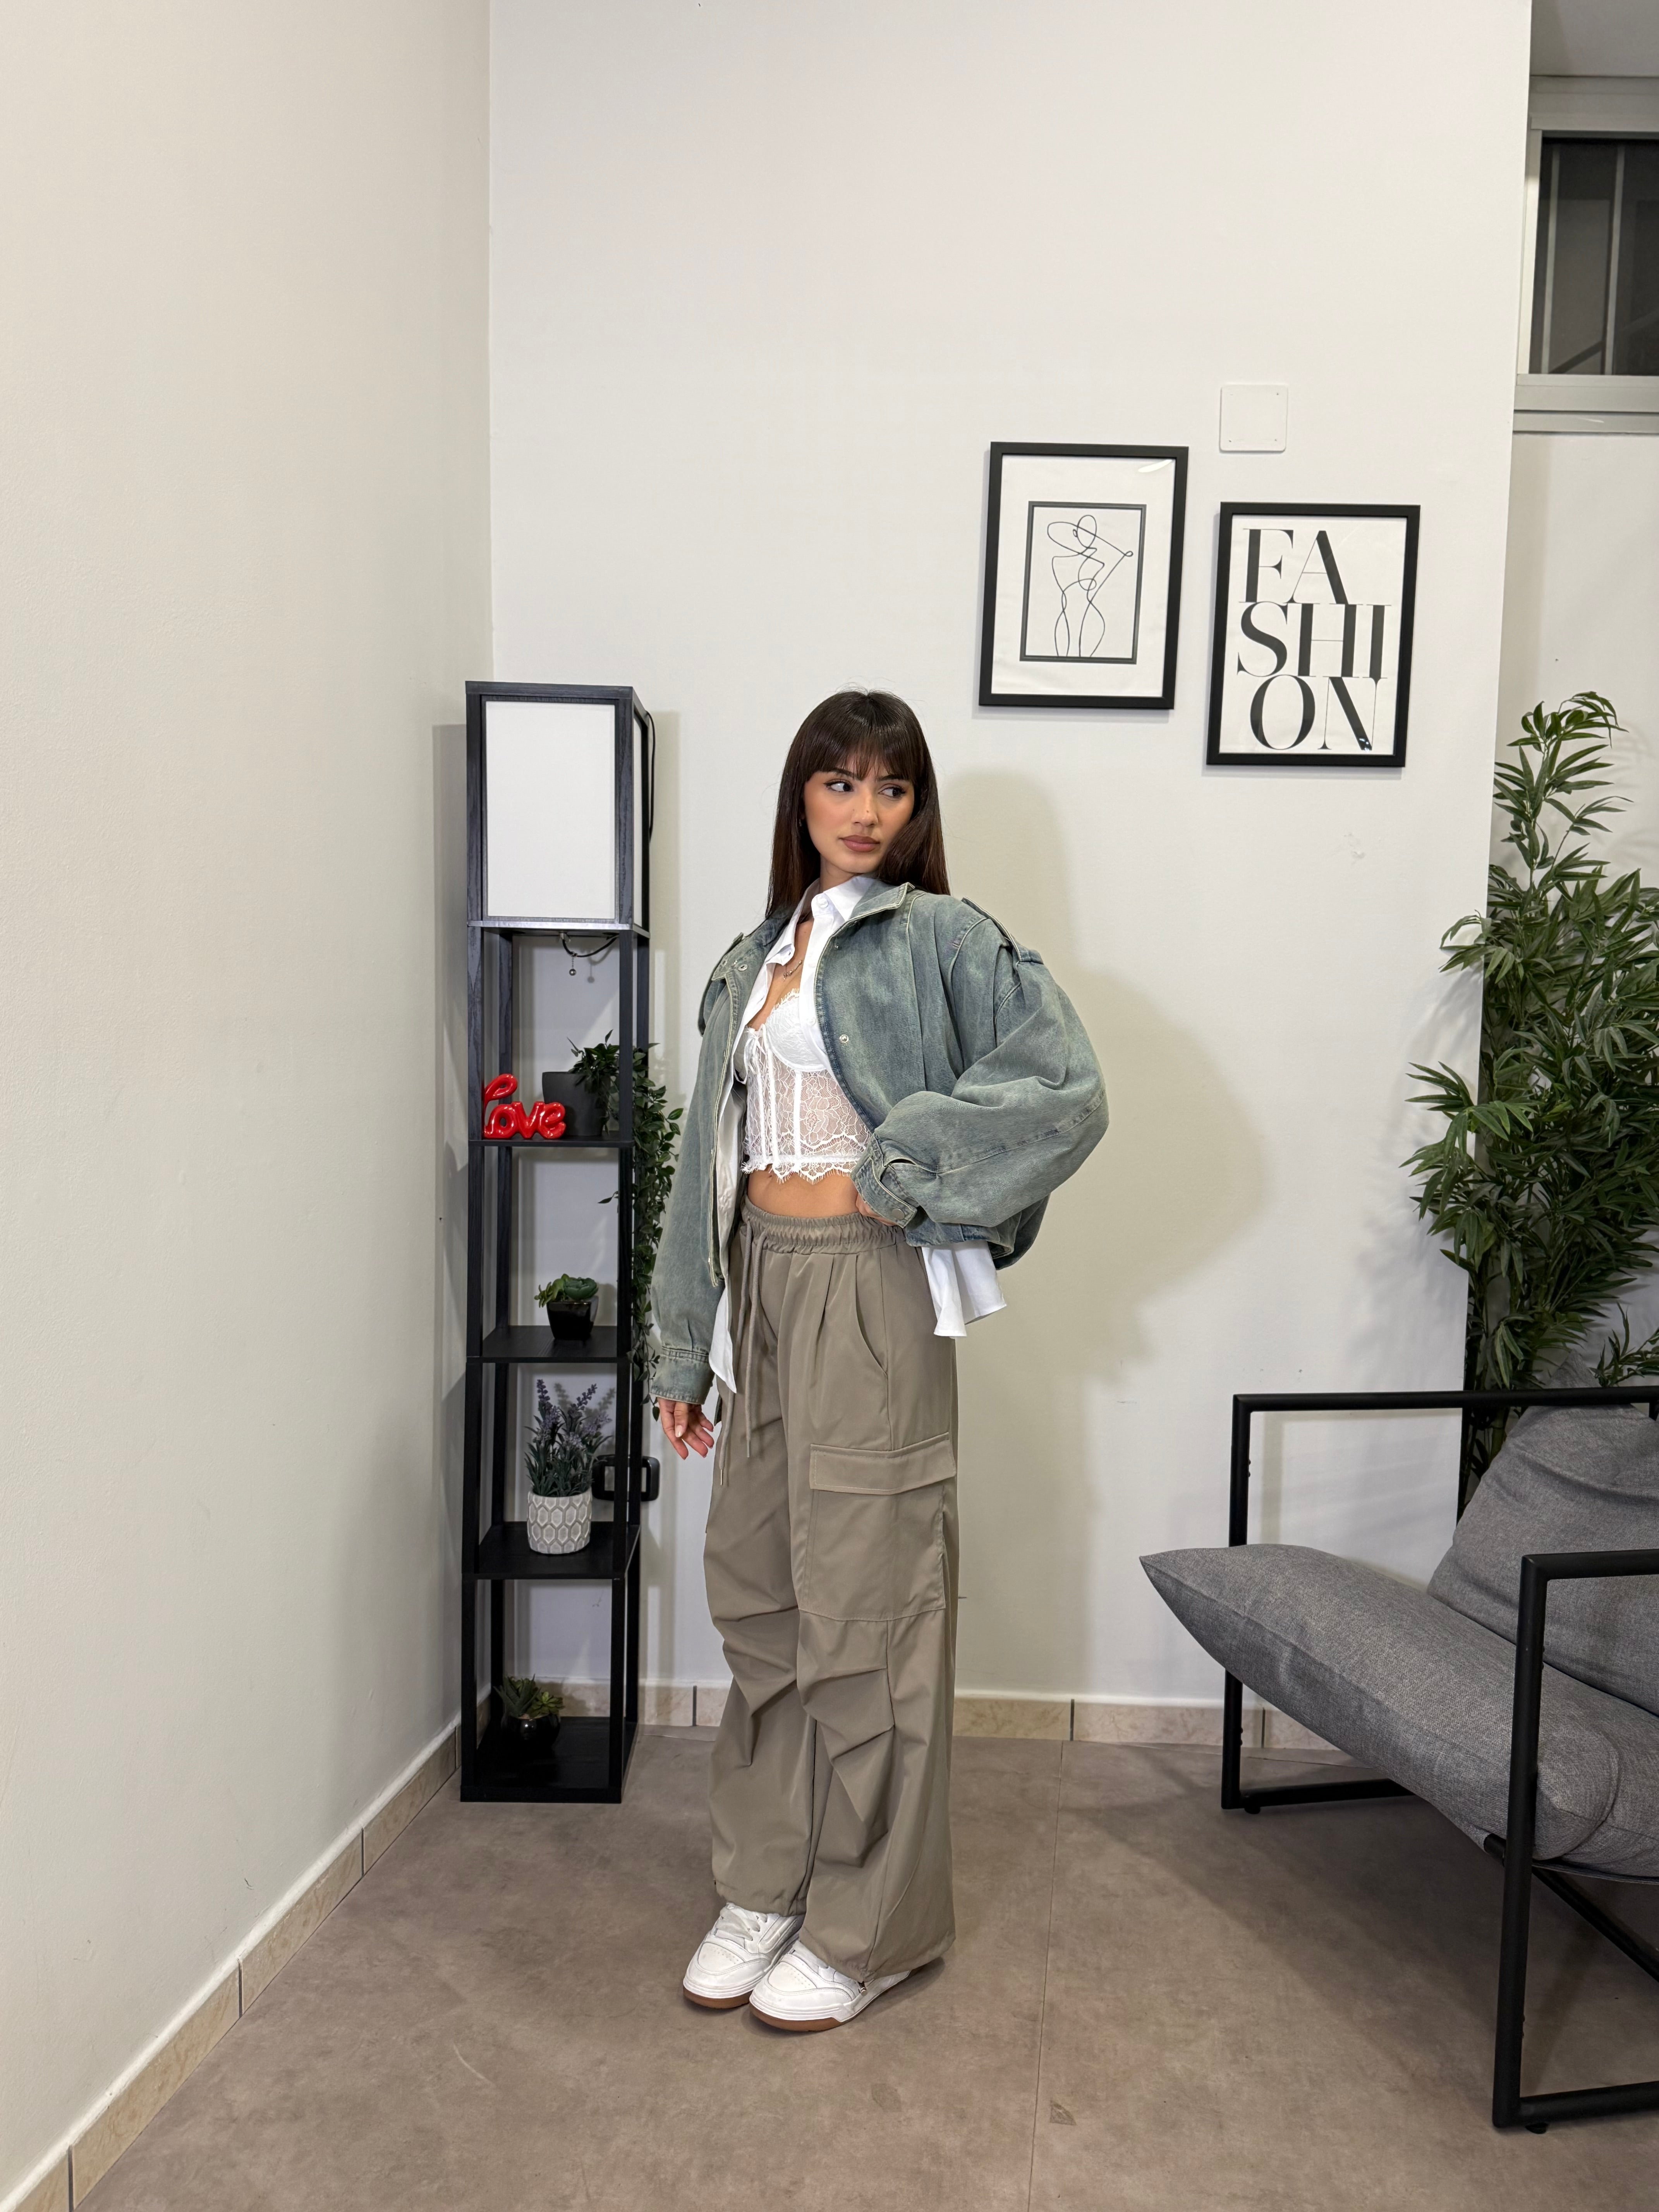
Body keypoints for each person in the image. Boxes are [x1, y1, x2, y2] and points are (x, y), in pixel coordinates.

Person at [649, 689, 1106, 2032]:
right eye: (840, 782)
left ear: (917, 808)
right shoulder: (752, 955)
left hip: (869, 1289)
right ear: (800, 797)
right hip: (758, 1292)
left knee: (872, 1611)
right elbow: (699, 1162)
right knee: (763, 1602)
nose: (865, 811)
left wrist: (906, 1168)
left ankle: (872, 1926)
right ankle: (767, 1881)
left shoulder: (944, 939)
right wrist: (682, 1347)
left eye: (891, 787)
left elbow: (1064, 1089)